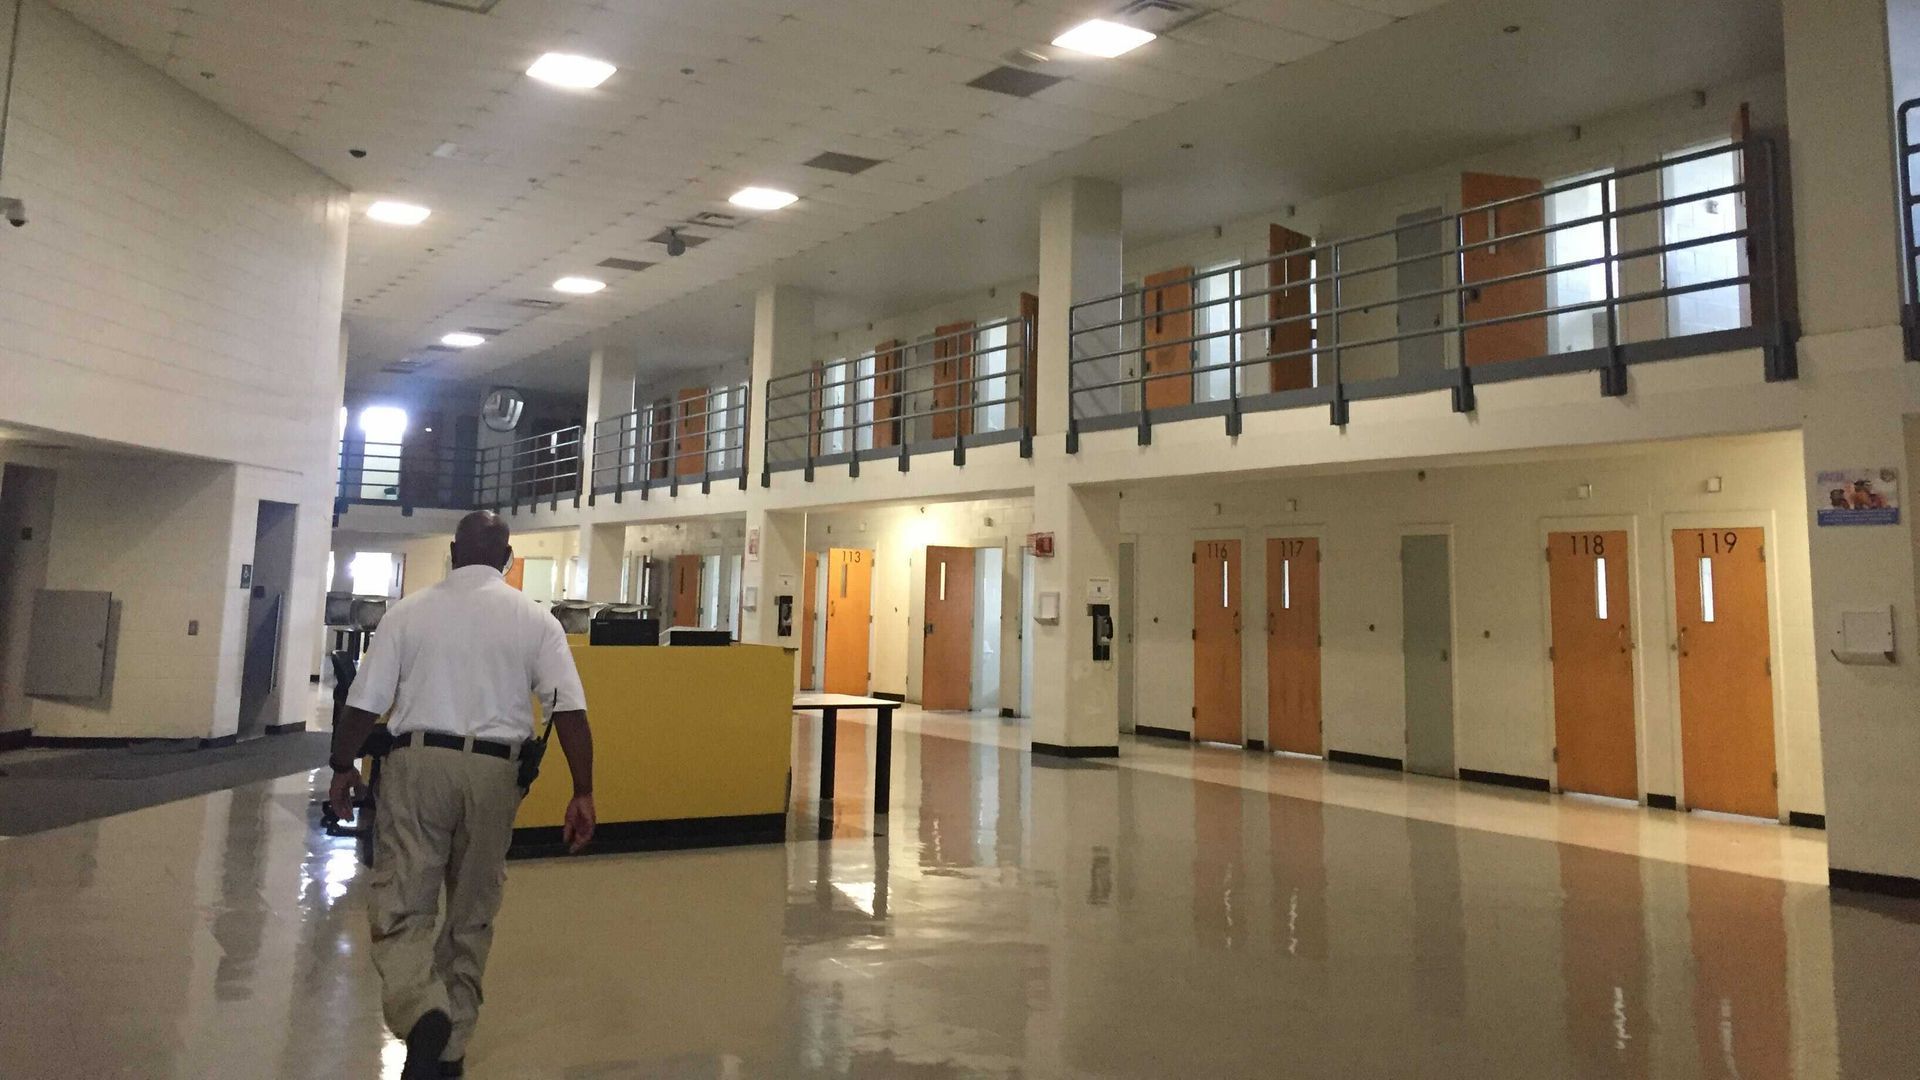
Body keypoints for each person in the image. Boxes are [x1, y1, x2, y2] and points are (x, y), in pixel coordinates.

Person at [329, 511, 595, 1079]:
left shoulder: (409, 613)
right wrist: (583, 791)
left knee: (402, 902)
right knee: (472, 914)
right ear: (508, 559)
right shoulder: (535, 619)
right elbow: (567, 710)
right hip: (497, 777)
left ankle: (422, 1010)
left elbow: (363, 701)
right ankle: (448, 1054)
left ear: (452, 552)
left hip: (418, 766)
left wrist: (341, 765)